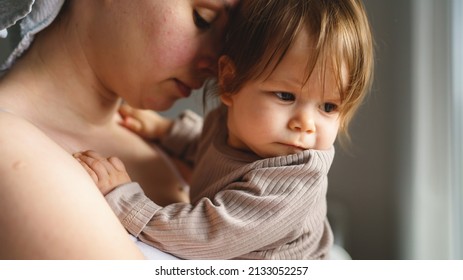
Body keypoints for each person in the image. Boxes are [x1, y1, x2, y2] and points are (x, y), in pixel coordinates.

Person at [75, 0, 374, 259]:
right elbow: (212, 151)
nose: (306, 124)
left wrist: (125, 199)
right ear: (230, 82)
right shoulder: (231, 129)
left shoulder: (292, 181)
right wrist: (167, 132)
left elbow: (207, 234)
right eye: (286, 96)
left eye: (329, 107)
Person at [0, 0, 239, 259]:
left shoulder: (167, 140)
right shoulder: (11, 148)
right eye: (202, 19)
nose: (217, 66)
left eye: (228, 37)